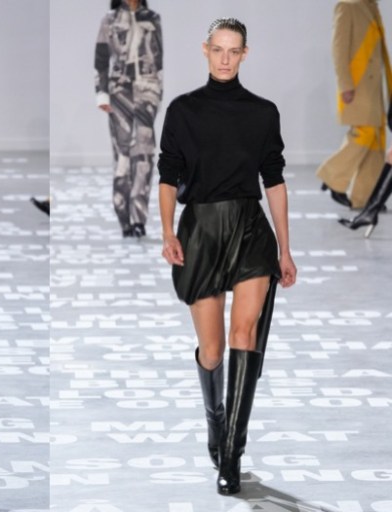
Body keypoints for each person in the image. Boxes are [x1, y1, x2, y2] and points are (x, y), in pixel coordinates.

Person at [158, 18, 296, 495]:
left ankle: (232, 453)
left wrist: (285, 248)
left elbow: (273, 181)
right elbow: (168, 176)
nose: (224, 58)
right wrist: (166, 231)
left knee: (244, 334)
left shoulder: (262, 113)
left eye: (233, 51)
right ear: (205, 50)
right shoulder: (182, 111)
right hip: (200, 231)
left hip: (250, 231)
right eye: (218, 49)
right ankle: (216, 420)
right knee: (213, 351)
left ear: (244, 54)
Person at [95, 0, 162, 238]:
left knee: (144, 154)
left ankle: (139, 219)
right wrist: (101, 94)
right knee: (122, 154)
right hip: (119, 92)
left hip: (147, 92)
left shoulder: (152, 18)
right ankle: (123, 216)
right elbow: (101, 59)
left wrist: (157, 94)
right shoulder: (109, 20)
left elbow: (158, 59)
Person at [316, 0, 391, 209]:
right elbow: (339, 48)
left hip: (374, 86)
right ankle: (332, 176)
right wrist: (345, 84)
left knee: (376, 140)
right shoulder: (347, 5)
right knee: (365, 133)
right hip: (358, 85)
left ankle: (364, 198)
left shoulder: (371, 6)